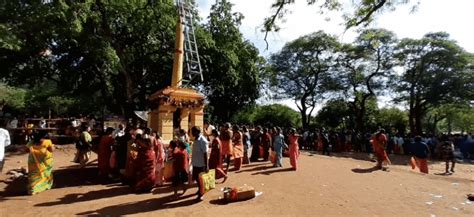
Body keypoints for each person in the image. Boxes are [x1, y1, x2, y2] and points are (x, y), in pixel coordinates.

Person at [190, 126, 209, 200]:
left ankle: (201, 194)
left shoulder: (203, 141)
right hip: (195, 163)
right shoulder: (196, 139)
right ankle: (200, 190)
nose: (191, 133)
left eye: (193, 132)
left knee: (201, 180)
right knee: (196, 178)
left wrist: (206, 166)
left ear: (197, 132)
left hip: (201, 164)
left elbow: (206, 153)